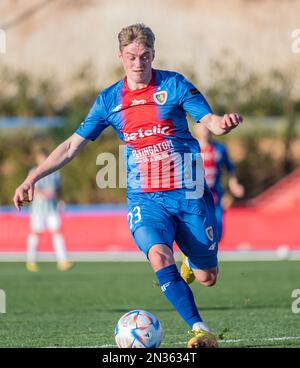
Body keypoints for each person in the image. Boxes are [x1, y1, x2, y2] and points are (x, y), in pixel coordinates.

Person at [13, 23, 243, 348]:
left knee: (208, 278)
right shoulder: (109, 100)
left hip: (189, 192)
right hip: (145, 198)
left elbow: (209, 121)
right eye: (132, 56)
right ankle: (200, 329)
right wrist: (32, 177)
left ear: (154, 54)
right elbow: (71, 146)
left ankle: (192, 262)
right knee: (160, 257)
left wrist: (223, 123)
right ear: (120, 56)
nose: (139, 64)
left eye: (145, 56)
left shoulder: (174, 85)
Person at [180, 124, 244, 284]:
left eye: (208, 126)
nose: (206, 130)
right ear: (196, 129)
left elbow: (230, 169)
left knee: (217, 235)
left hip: (215, 200)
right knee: (197, 231)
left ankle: (194, 259)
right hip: (195, 200)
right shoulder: (189, 148)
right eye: (202, 126)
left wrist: (233, 185)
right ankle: (191, 258)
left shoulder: (219, 150)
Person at [25, 148, 74, 272]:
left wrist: (61, 201)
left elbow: (58, 190)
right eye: (40, 158)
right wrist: (43, 193)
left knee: (57, 232)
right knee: (36, 233)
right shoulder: (33, 171)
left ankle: (63, 261)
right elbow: (31, 188)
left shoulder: (55, 173)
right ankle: (31, 261)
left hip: (52, 208)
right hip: (38, 209)